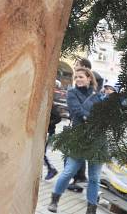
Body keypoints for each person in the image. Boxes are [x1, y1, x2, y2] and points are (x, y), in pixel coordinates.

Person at [48, 67, 106, 214]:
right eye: (76, 77)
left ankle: (91, 209)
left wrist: (92, 118)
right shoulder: (72, 93)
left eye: (81, 77)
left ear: (89, 78)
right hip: (79, 139)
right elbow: (77, 112)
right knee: (68, 172)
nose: (78, 80)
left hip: (97, 141)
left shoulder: (98, 95)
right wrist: (92, 117)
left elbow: (104, 115)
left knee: (94, 178)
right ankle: (54, 200)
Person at [44, 80, 63, 180]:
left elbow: (58, 118)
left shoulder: (51, 103)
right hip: (45, 132)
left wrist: (47, 124)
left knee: (41, 153)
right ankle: (49, 170)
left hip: (48, 132)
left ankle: (51, 169)